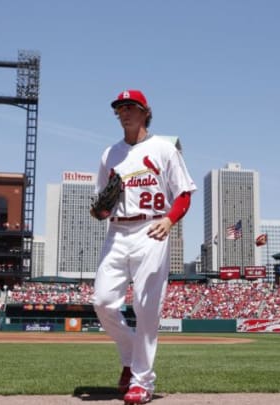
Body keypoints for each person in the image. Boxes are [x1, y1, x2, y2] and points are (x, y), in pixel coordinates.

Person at [91, 89, 197, 405]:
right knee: (102, 301)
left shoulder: (163, 149)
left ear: (145, 111)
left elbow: (185, 193)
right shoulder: (109, 154)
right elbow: (101, 204)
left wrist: (169, 221)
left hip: (151, 227)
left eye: (131, 107)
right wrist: (100, 210)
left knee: (146, 305)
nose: (124, 112)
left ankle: (142, 381)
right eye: (120, 108)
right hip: (117, 231)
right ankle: (130, 355)